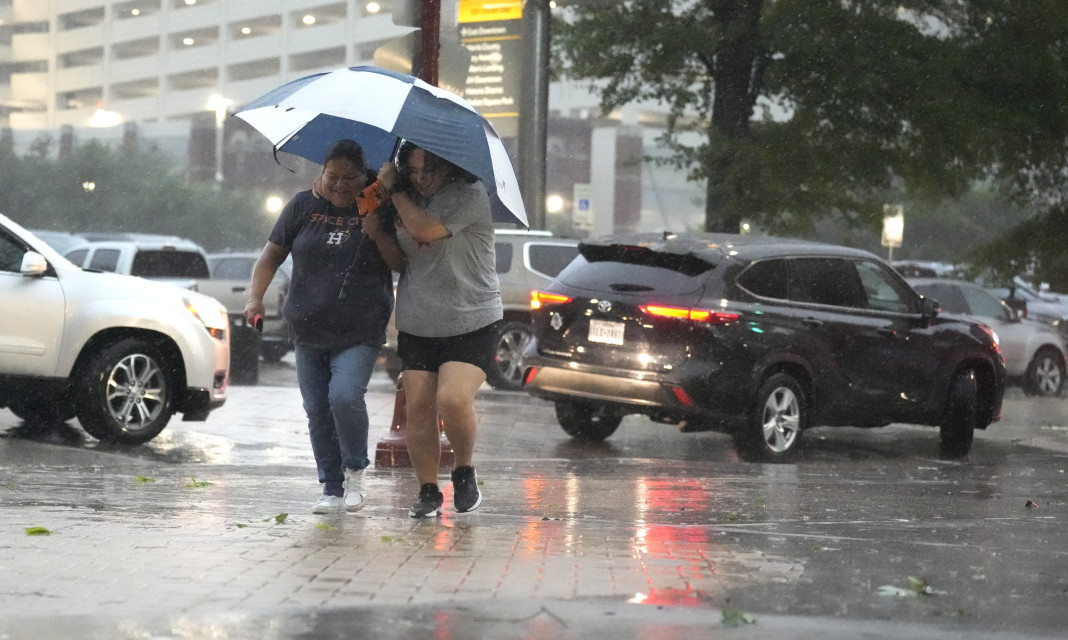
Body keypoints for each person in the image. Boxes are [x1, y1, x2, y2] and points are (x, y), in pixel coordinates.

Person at [244, 139, 397, 514]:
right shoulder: (302, 205)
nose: (341, 184)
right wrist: (255, 298)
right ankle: (330, 486)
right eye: (333, 176)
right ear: (321, 173)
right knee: (316, 408)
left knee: (344, 397)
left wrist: (377, 230)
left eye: (350, 177)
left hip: (360, 327)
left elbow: (400, 264)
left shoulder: (379, 205)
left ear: (365, 176)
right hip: (308, 326)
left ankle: (355, 471)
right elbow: (270, 258)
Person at [373, 142, 503, 518]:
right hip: (419, 319)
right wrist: (378, 230)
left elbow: (425, 230)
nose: (420, 178)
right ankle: (428, 489)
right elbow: (400, 260)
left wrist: (395, 190)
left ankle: (464, 470)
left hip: (472, 315)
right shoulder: (401, 196)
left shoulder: (470, 194)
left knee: (452, 398)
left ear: (448, 167)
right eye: (412, 171)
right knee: (419, 405)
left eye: (428, 170)